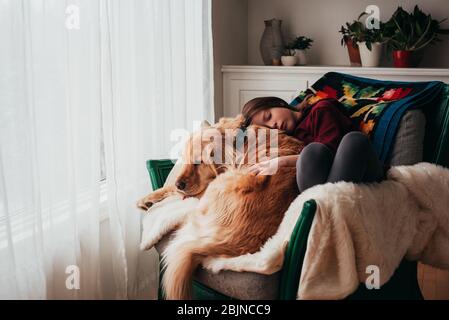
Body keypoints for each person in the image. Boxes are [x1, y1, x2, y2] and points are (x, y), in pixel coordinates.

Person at [241, 96, 385, 193]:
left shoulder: (321, 110)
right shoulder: (287, 140)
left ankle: (323, 210)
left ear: (278, 104)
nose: (274, 124)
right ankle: (327, 210)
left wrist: (282, 161)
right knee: (310, 154)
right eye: (269, 128)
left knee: (353, 140)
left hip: (361, 169)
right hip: (325, 187)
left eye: (269, 116)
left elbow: (332, 150)